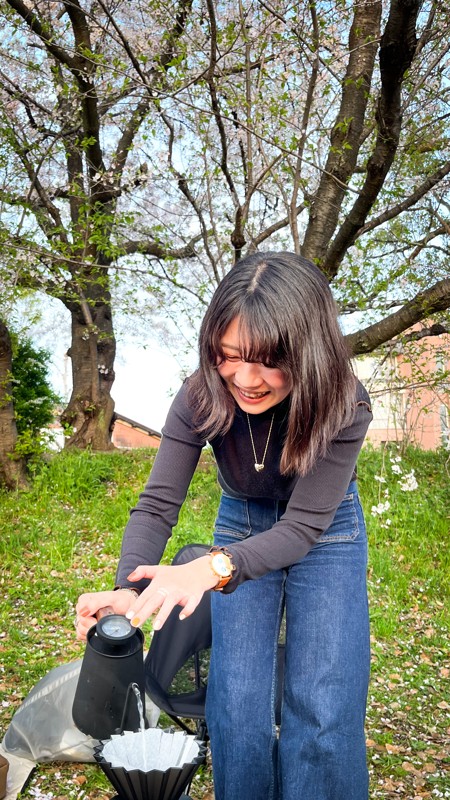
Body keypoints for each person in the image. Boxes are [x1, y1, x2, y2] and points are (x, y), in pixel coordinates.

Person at [76, 251, 373, 800]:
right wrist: (127, 590)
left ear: (309, 354)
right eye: (230, 356)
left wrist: (208, 569)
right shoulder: (199, 394)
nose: (246, 379)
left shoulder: (344, 402)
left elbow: (305, 527)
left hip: (326, 528)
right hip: (241, 518)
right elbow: (159, 501)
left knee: (324, 701)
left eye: (268, 361)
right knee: (236, 699)